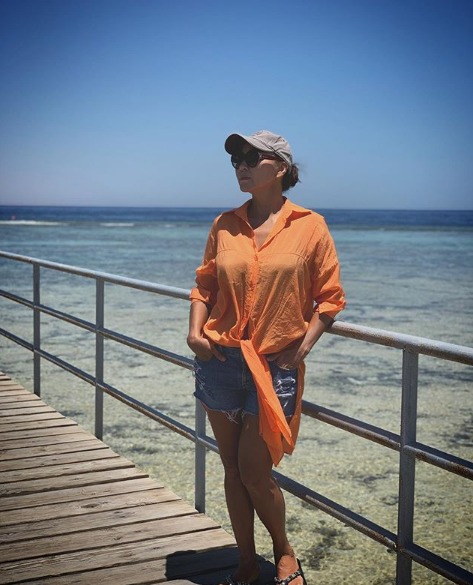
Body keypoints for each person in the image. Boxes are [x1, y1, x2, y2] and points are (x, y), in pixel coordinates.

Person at [187, 130, 345, 585]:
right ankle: (244, 563)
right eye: (236, 159)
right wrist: (195, 333)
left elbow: (330, 298)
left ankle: (283, 550)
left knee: (255, 472)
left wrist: (303, 346)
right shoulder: (225, 224)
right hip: (220, 362)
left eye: (252, 157)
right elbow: (204, 286)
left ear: (281, 168)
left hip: (274, 367)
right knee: (232, 472)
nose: (241, 165)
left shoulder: (310, 226)